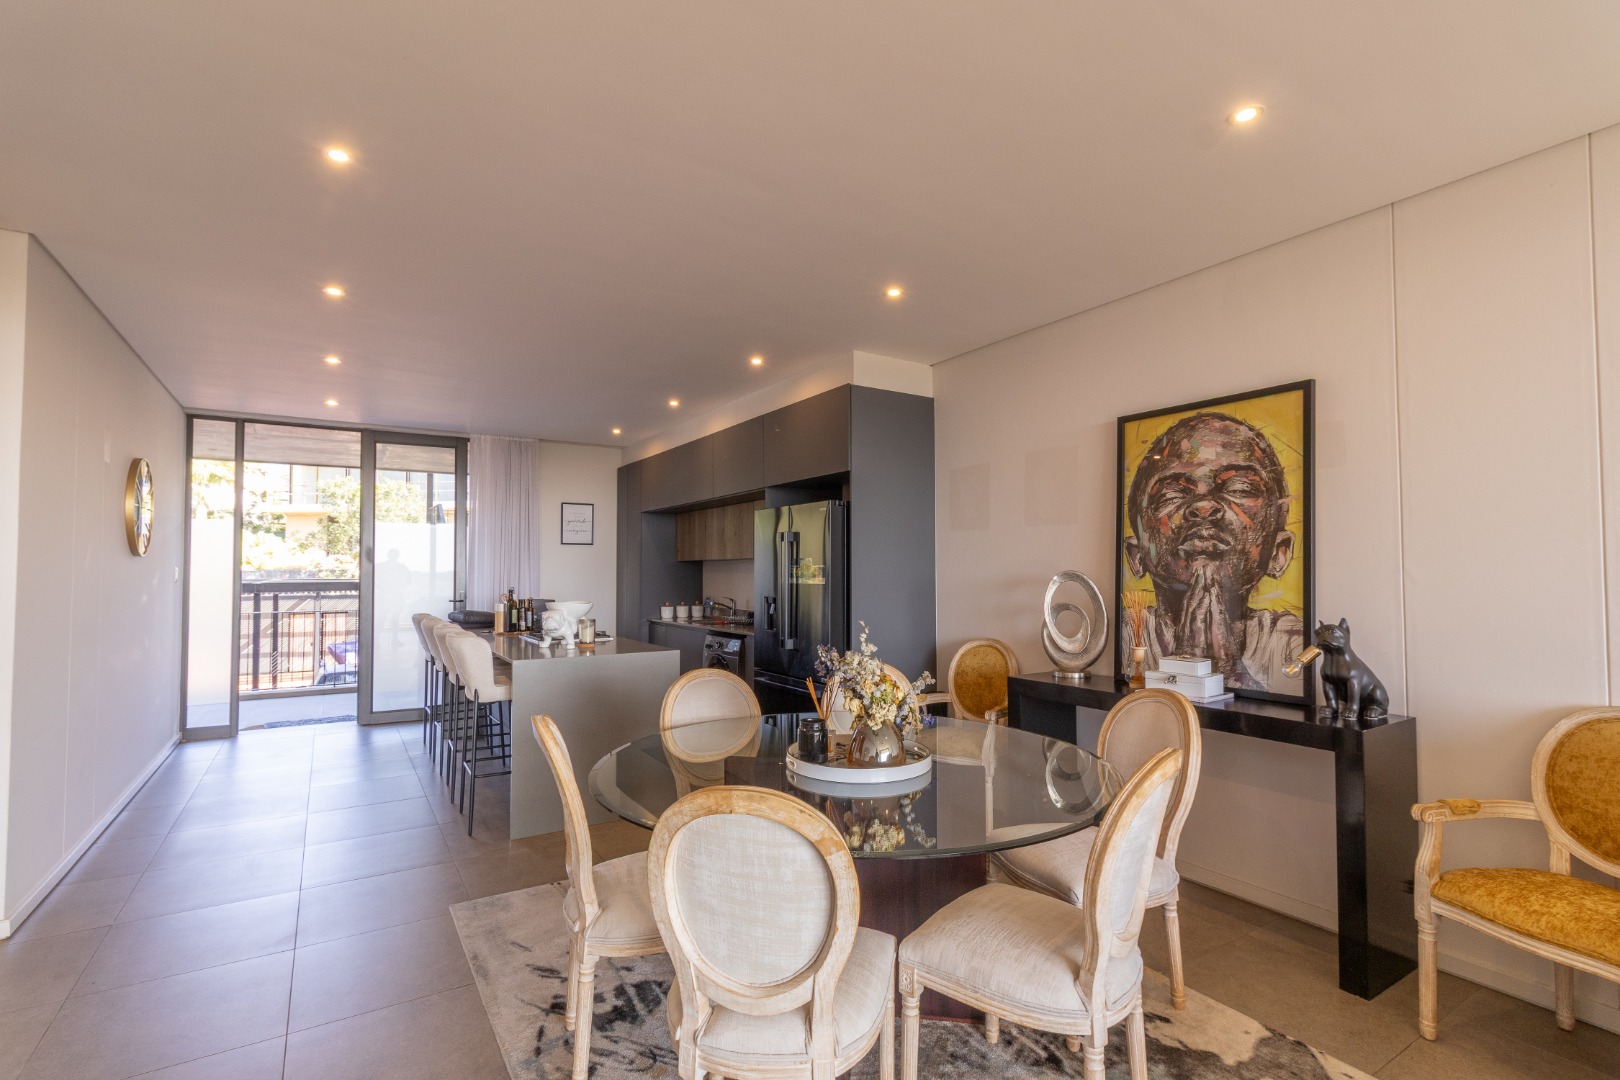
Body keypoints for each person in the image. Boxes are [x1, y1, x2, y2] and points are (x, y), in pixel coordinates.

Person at [1123, 412, 1303, 692]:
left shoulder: (1292, 644)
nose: (1204, 506)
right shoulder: (1126, 637)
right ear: (1137, 556)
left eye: (1239, 489)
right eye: (1172, 494)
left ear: (1279, 552)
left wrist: (1229, 671)